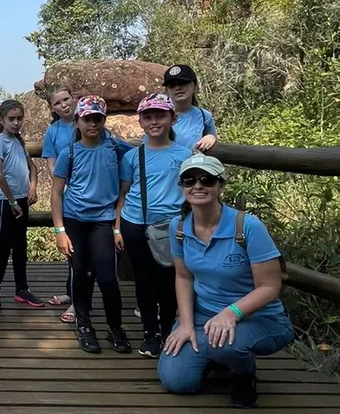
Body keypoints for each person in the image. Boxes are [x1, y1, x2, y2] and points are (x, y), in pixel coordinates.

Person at [158, 155, 293, 408]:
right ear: (182, 186)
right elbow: (184, 276)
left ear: (220, 185)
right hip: (204, 316)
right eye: (189, 180)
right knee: (177, 380)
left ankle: (244, 374)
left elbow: (270, 287)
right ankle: (215, 355)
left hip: (257, 317)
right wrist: (186, 324)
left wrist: (231, 313)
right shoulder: (179, 226)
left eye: (207, 180)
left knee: (225, 346)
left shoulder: (247, 226)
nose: (198, 186)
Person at [51, 95, 135, 355]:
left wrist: (118, 226)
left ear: (104, 120)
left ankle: (115, 326)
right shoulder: (69, 153)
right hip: (75, 220)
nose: (92, 124)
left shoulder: (115, 147)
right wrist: (59, 230)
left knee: (108, 277)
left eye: (97, 118)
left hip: (103, 220)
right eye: (87, 118)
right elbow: (56, 193)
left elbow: (142, 156)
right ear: (77, 121)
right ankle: (84, 326)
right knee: (81, 273)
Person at [114, 94, 193, 357]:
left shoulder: (185, 155)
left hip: (172, 225)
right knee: (144, 278)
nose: (154, 122)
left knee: (170, 279)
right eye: (148, 117)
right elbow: (123, 194)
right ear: (140, 121)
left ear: (173, 118)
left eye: (160, 116)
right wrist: (117, 227)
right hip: (136, 223)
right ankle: (150, 333)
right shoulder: (133, 156)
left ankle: (168, 328)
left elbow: (192, 192)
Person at [0, 100, 42, 309]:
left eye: (19, 118)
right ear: (2, 120)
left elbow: (33, 168)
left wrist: (32, 188)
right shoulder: (0, 142)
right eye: (11, 119)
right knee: (3, 246)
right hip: (5, 201)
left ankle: (22, 288)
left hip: (21, 199)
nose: (16, 122)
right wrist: (11, 201)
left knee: (20, 246)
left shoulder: (18, 140)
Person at [41, 87, 79, 319]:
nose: (64, 105)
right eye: (58, 103)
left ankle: (78, 300)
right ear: (52, 108)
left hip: (89, 194)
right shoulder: (53, 131)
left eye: (66, 99)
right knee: (71, 248)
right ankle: (72, 294)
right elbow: (52, 164)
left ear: (74, 99)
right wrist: (63, 185)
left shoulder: (87, 121)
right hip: (66, 194)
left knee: (81, 252)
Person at [163, 64, 217, 152]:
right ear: (166, 90)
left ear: (194, 86)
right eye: (172, 85)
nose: (178, 87)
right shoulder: (159, 115)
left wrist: (211, 137)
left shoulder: (204, 116)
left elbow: (212, 137)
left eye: (183, 83)